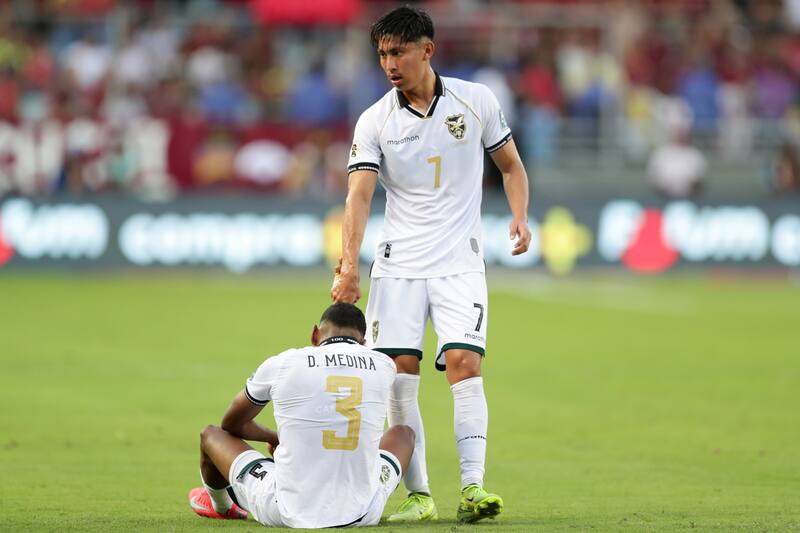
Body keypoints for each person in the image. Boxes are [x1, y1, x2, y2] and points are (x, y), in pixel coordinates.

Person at [330, 6, 532, 524]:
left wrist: (520, 216)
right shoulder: (375, 119)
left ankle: (473, 488)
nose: (389, 63)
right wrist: (347, 264)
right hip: (398, 266)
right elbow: (358, 195)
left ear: (427, 50)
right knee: (400, 377)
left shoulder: (477, 100)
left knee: (466, 366)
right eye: (382, 54)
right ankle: (419, 495)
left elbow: (510, 165)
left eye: (398, 51)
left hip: (459, 264)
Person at [188, 303, 415, 528]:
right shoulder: (384, 365)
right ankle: (414, 493)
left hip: (287, 510)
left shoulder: (283, 363)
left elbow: (232, 423)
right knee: (403, 434)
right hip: (365, 513)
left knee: (210, 435)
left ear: (315, 334)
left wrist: (274, 438)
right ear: (364, 343)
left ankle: (221, 506)